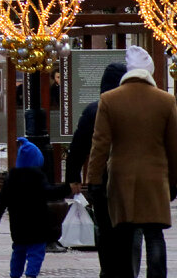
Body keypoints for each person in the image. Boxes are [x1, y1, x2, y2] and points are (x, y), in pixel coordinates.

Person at [87, 45, 177, 278]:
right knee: (154, 233)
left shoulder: (109, 100)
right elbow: (174, 146)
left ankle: (128, 274)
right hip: (155, 178)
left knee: (125, 234)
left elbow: (100, 144)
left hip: (121, 177)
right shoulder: (166, 101)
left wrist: (93, 180)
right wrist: (174, 181)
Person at [64, 60, 126, 278]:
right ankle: (126, 270)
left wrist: (72, 177)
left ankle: (107, 270)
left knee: (104, 228)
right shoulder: (129, 108)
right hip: (125, 179)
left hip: (100, 179)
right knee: (127, 230)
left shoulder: (93, 110)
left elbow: (78, 146)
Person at [0, 138, 75, 278]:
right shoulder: (37, 178)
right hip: (37, 225)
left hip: (18, 226)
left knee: (18, 250)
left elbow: (1, 201)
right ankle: (31, 274)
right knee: (36, 251)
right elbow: (50, 192)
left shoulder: (11, 179)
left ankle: (15, 274)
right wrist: (67, 189)